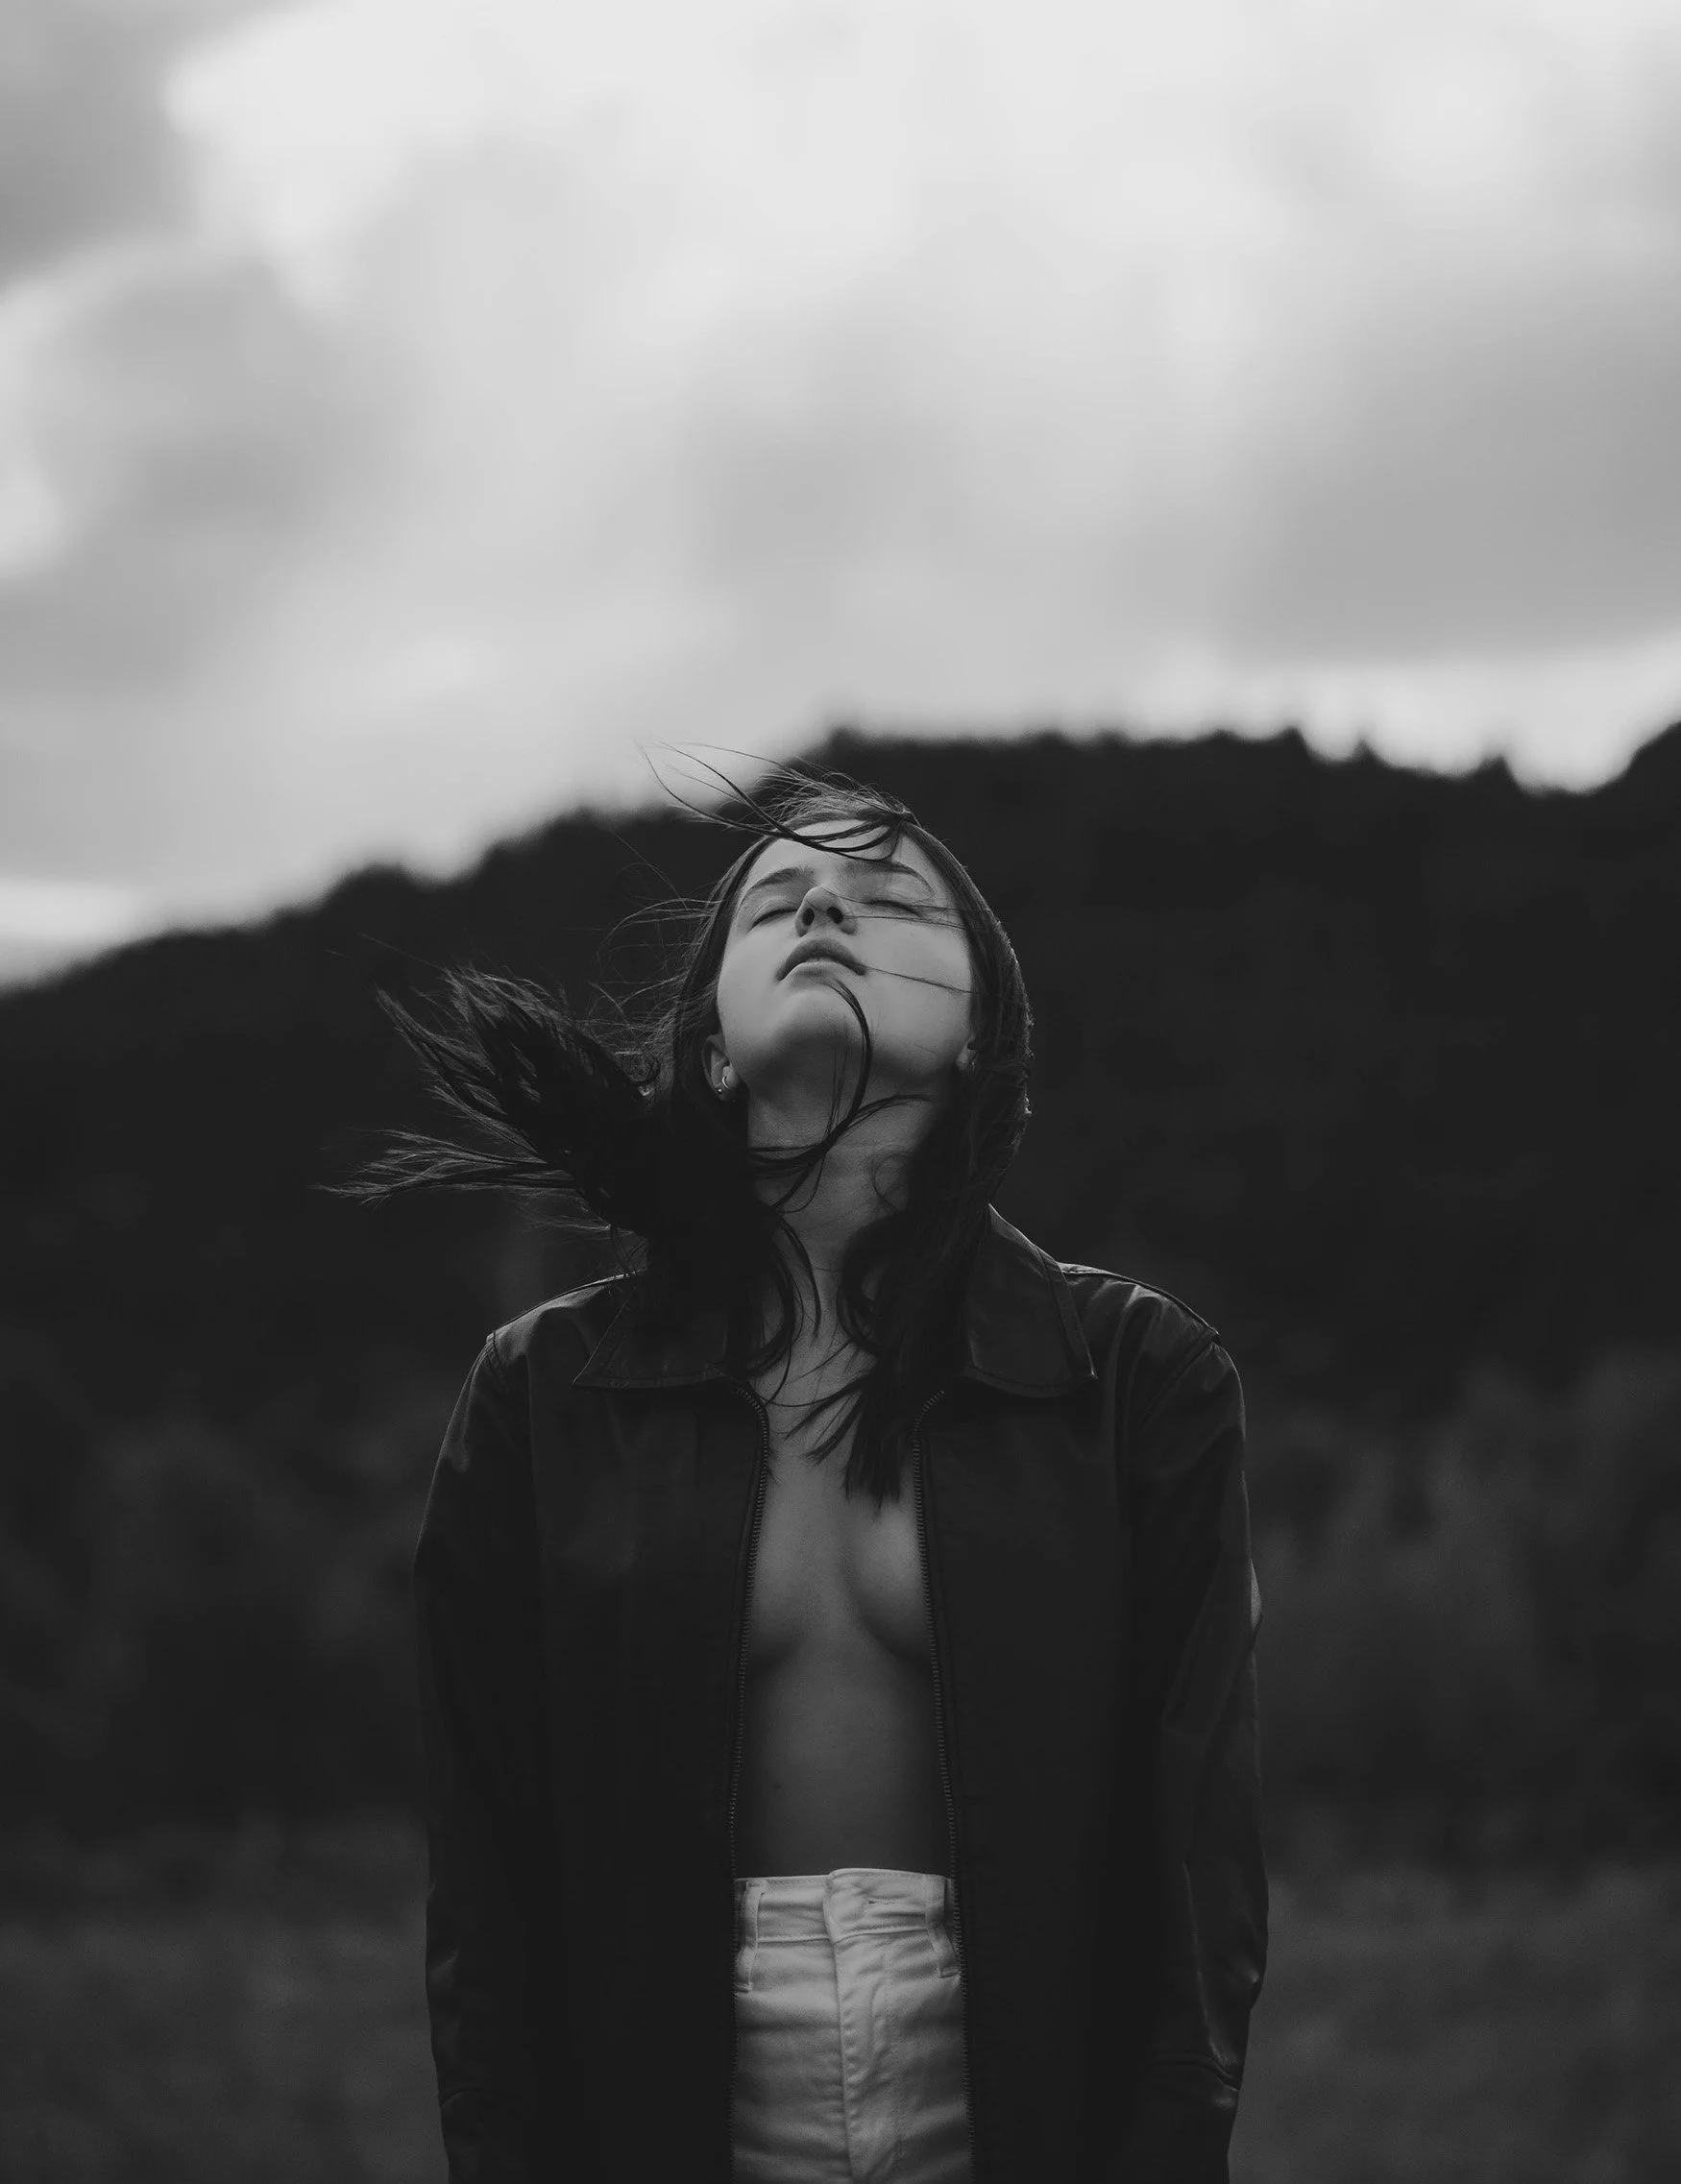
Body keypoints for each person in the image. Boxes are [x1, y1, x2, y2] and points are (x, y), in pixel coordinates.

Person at [370, 770, 1266, 2182]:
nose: (826, 905)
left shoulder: (1138, 1379)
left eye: (888, 894)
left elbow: (1197, 1874)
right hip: (662, 2113)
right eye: (776, 899)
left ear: (980, 1032)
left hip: (1031, 2112)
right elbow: (488, 1887)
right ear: (714, 1046)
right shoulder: (539, 1396)